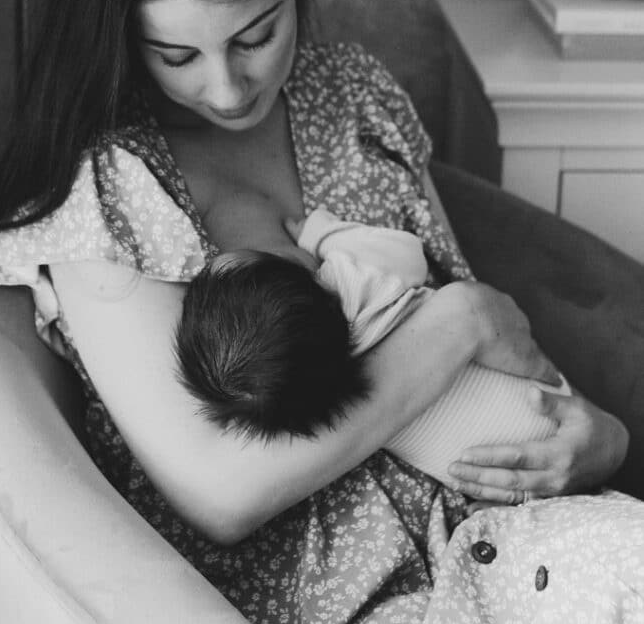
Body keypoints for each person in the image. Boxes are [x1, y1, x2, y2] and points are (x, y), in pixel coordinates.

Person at [0, 0, 642, 624]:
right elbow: (221, 490)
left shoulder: (353, 97)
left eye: (257, 34)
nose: (229, 86)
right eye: (177, 55)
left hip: (505, 531)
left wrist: (599, 438)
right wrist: (457, 322)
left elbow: (499, 367)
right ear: (122, 33)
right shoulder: (112, 190)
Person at [175, 203, 565, 487]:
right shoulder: (346, 281)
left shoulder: (314, 391)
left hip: (477, 468)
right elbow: (410, 256)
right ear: (305, 278)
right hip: (531, 403)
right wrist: (323, 234)